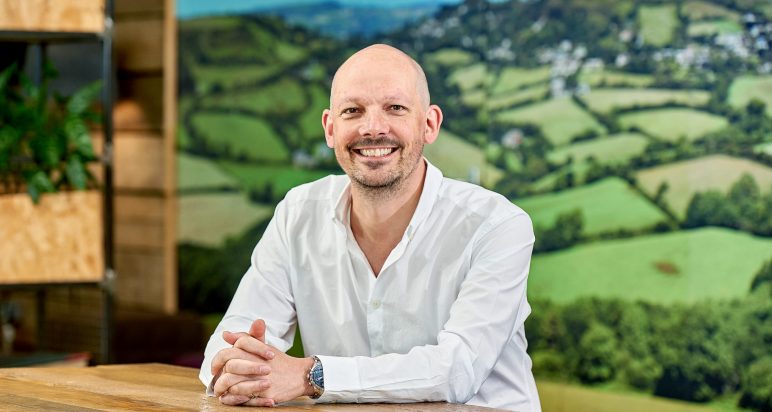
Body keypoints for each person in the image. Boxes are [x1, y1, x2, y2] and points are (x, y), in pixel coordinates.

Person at [200, 44, 541, 411]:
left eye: (395, 108)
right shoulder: (297, 214)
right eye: (353, 110)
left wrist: (310, 376)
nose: (373, 128)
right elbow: (226, 345)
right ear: (331, 129)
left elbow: (456, 370)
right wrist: (237, 368)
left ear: (430, 124)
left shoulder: (497, 226)